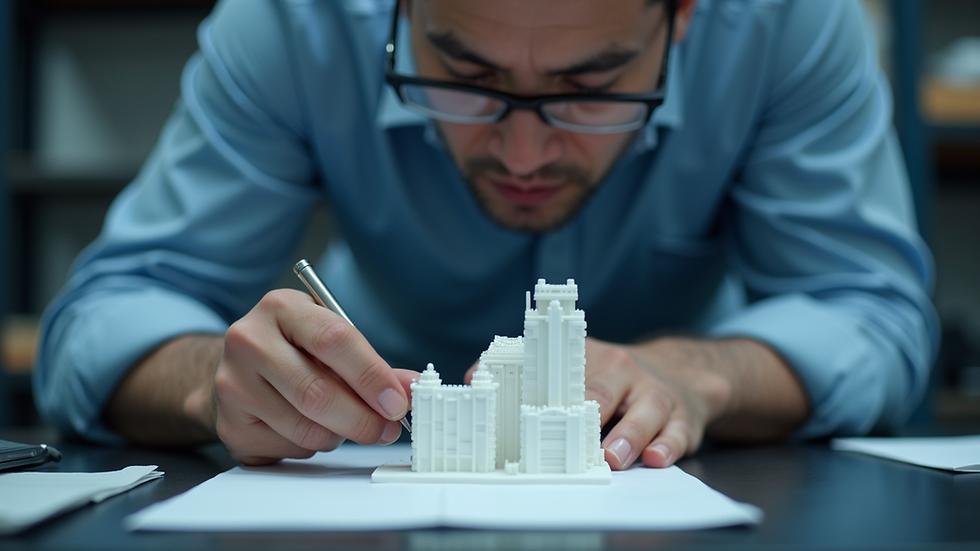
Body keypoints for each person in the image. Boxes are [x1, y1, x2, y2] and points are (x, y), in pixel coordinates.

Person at [34, 0, 937, 470]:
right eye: (463, 76)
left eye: (594, 85)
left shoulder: (784, 24)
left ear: (686, 16)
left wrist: (705, 374)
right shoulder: (294, 25)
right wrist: (209, 387)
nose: (525, 149)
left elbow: (875, 317)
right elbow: (98, 323)